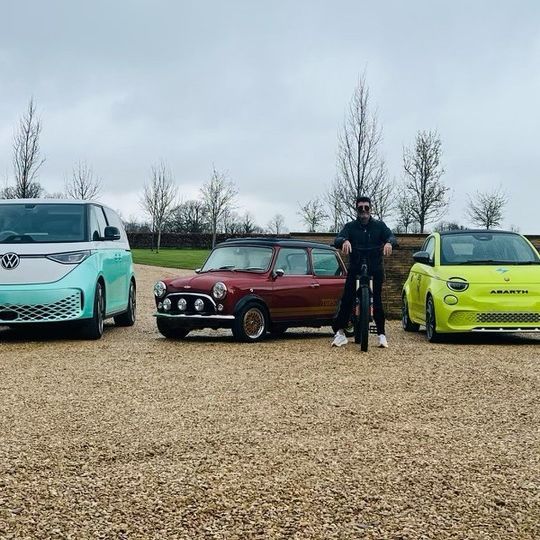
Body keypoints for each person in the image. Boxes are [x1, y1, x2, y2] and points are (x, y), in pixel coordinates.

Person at [331, 196, 396, 348]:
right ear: (357, 209)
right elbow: (338, 238)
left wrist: (389, 243)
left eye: (366, 208)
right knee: (347, 298)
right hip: (356, 266)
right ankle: (340, 333)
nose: (364, 211)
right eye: (360, 208)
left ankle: (381, 334)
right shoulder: (350, 226)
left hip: (375, 267)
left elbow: (391, 236)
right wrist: (344, 241)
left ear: (370, 208)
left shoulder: (379, 226)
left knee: (378, 300)